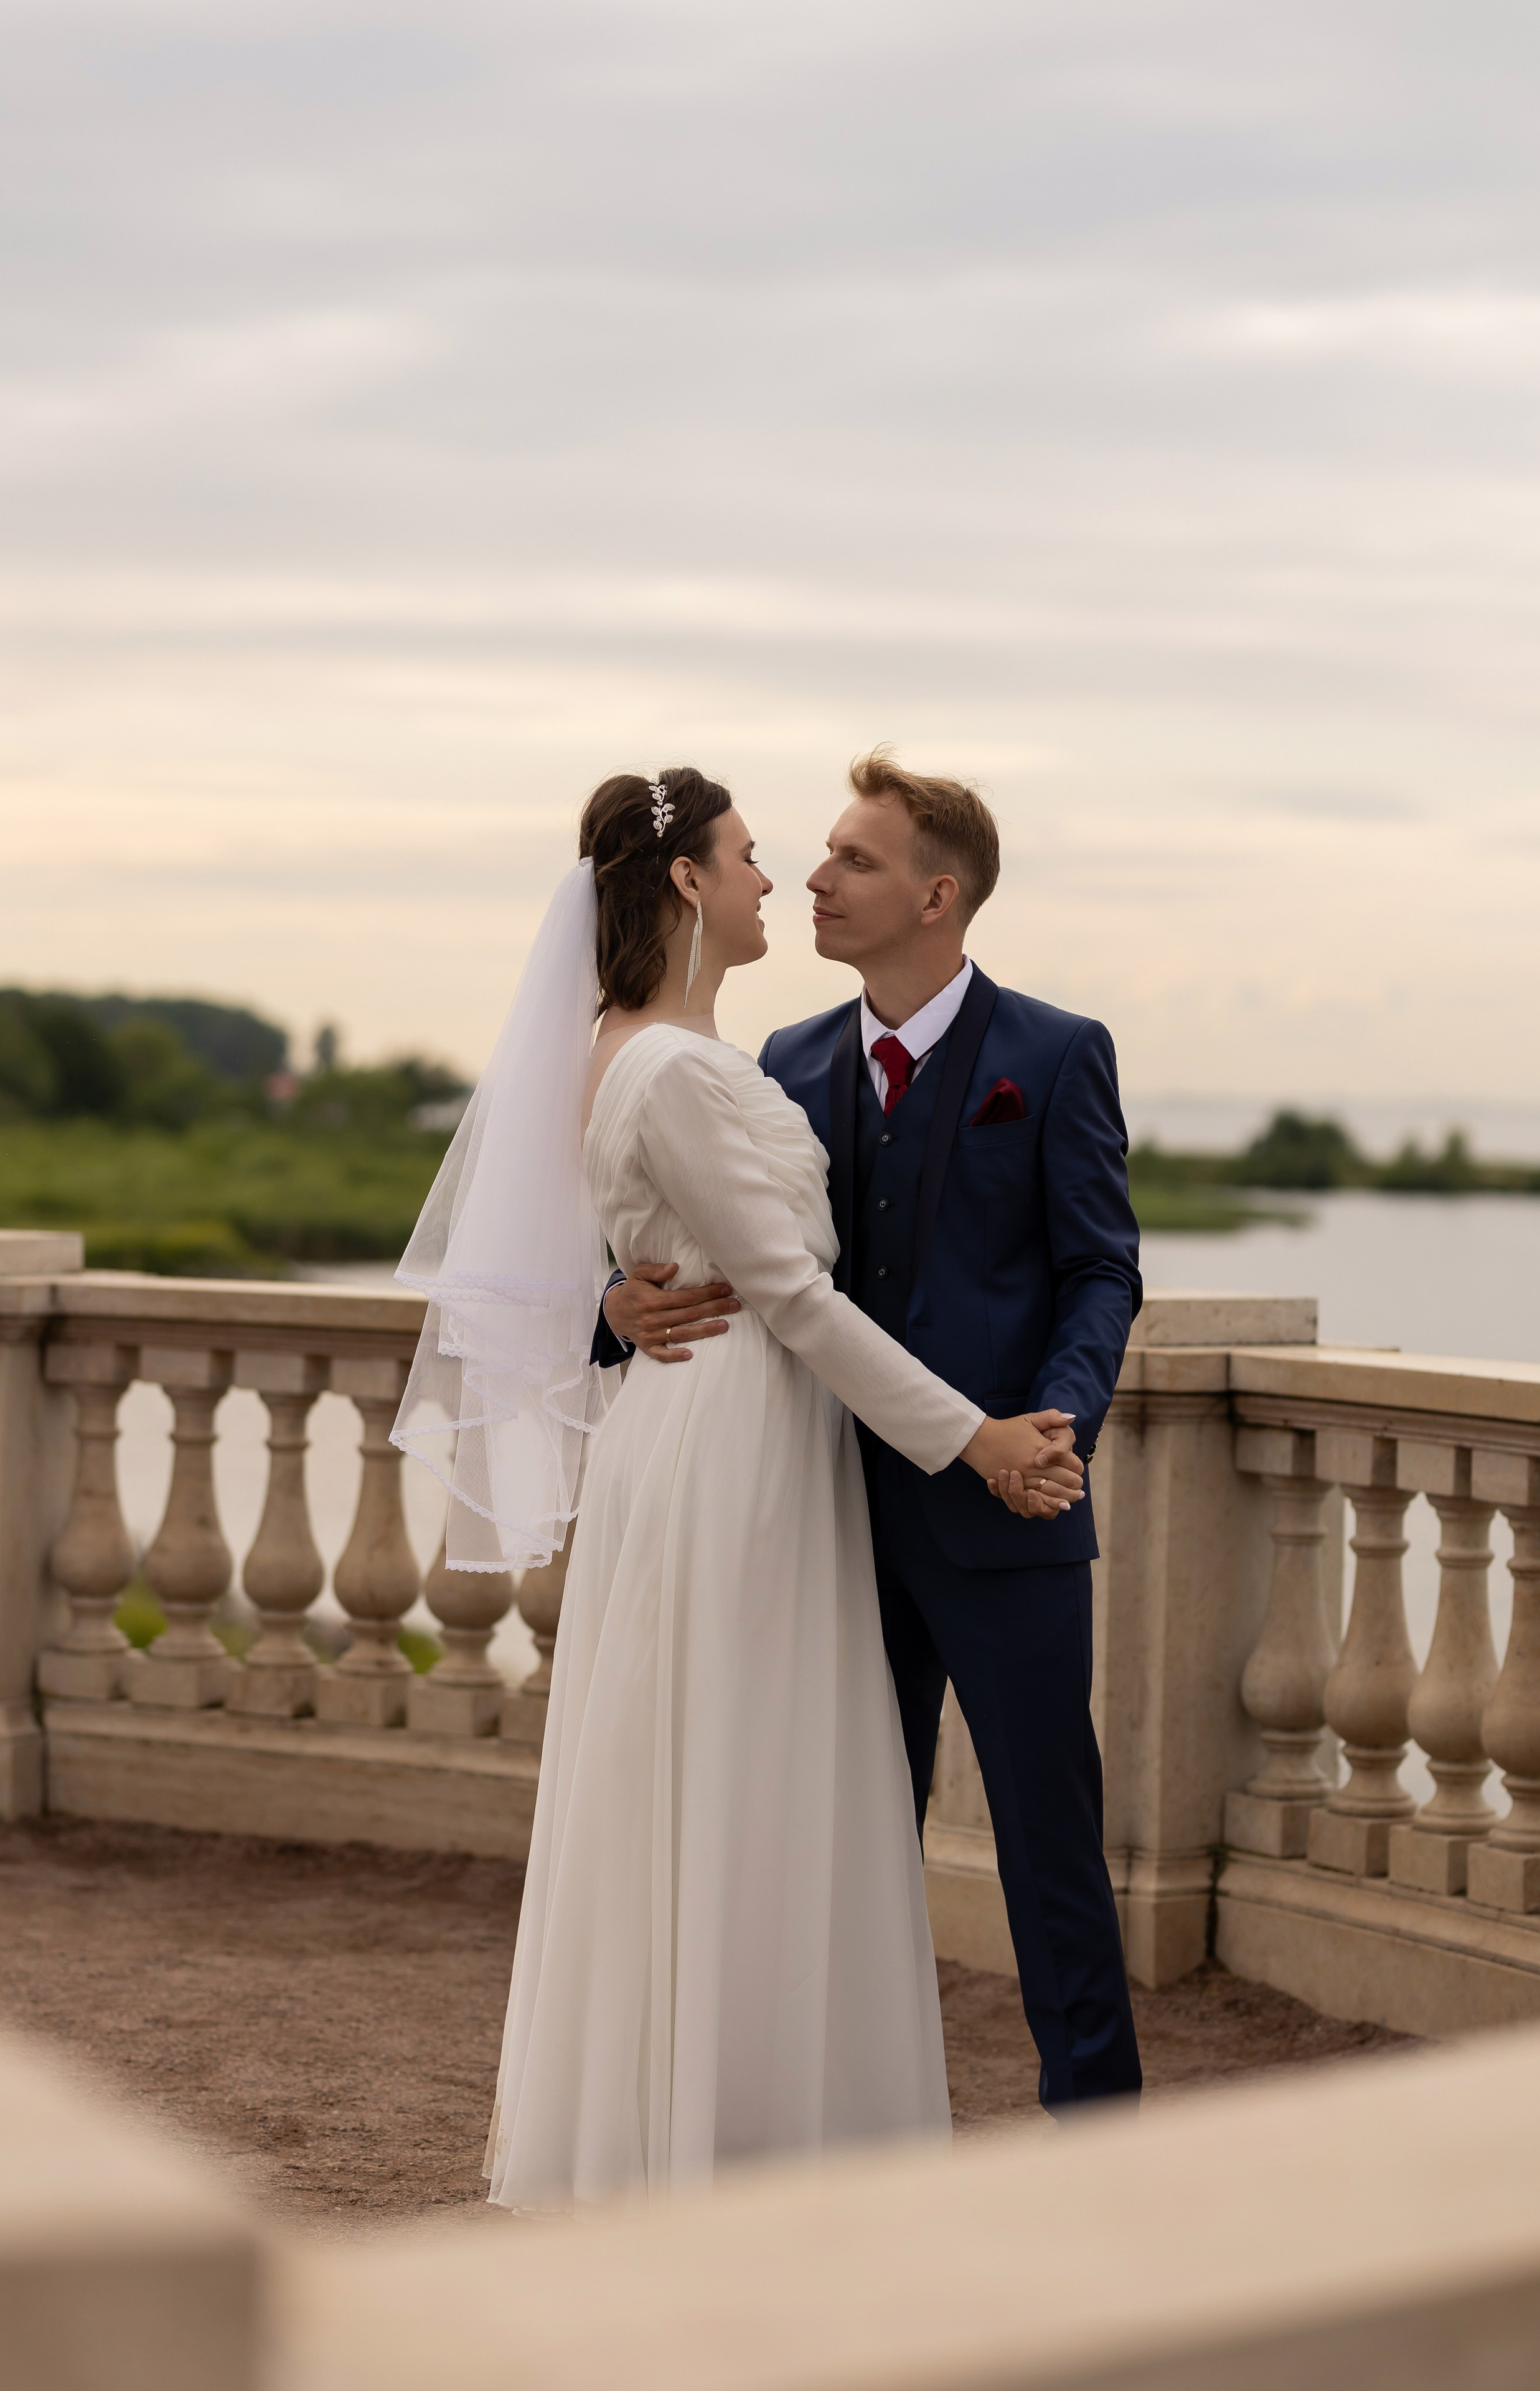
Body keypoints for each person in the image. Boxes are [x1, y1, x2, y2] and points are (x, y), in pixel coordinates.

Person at [392, 765, 1081, 2210]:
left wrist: (619, 1298)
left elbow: (667, 1238)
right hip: (735, 1449)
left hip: (735, 1429)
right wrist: (975, 1439)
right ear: (690, 883)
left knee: (719, 1773)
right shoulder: (679, 1062)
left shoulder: (672, 1051)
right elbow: (785, 1293)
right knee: (736, 1773)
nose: (780, 881)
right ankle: (723, 2142)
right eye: (754, 856)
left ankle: (720, 2117)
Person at [599, 749, 1144, 2111]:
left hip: (1005, 1513)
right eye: (818, 854)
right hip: (817, 1516)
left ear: (935, 896)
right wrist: (612, 1307)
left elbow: (1099, 1271)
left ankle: (1101, 2138)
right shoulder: (777, 1060)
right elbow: (698, 1246)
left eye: (855, 859)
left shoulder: (1054, 1054)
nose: (819, 876)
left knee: (1049, 1852)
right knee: (827, 1847)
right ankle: (831, 2128)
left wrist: (1054, 1425)